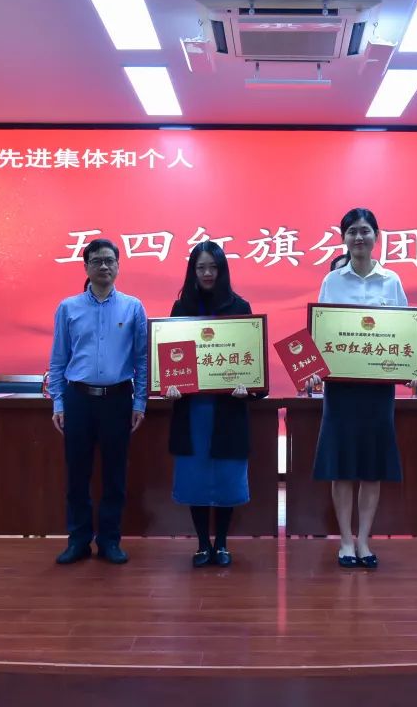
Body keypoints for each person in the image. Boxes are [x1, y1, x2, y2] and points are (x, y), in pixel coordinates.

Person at [310, 208, 411, 570]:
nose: (359, 237)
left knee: (372, 464)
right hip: (341, 389)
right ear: (343, 238)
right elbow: (320, 331)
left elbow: (406, 331)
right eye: (352, 231)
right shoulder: (332, 281)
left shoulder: (391, 281)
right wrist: (313, 369)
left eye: (365, 231)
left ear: (376, 236)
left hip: (377, 389)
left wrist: (411, 369)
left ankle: (364, 539)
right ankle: (345, 540)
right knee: (342, 464)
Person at [48, 238, 148, 566]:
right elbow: (59, 360)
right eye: (96, 261)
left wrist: (140, 402)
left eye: (109, 260)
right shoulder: (68, 308)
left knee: (115, 475)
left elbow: (142, 359)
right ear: (86, 267)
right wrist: (58, 403)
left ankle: (109, 541)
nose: (104, 266)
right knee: (77, 475)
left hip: (117, 400)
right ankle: (78, 541)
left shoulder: (133, 307)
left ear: (118, 266)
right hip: (78, 399)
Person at [163, 242, 261, 568]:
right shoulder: (181, 309)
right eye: (201, 267)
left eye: (213, 267)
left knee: (227, 479)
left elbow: (253, 365)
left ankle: (222, 543)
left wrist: (248, 388)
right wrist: (169, 386)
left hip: (227, 410)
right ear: (192, 271)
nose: (207, 273)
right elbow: (169, 363)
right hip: (193, 412)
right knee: (196, 477)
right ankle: (202, 544)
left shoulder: (240, 307)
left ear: (222, 270)